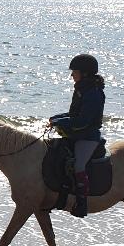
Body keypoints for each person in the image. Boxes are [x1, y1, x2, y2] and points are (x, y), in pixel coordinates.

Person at [48, 53, 105, 218]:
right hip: (77, 135)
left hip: (88, 136)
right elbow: (73, 114)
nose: (72, 75)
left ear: (84, 73)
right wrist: (56, 118)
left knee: (79, 166)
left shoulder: (93, 93)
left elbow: (83, 121)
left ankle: (82, 204)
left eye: (75, 71)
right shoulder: (82, 89)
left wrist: (61, 123)